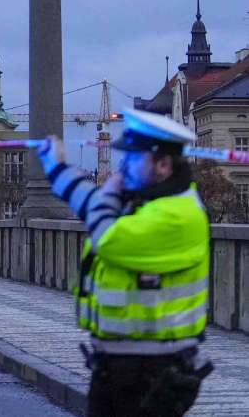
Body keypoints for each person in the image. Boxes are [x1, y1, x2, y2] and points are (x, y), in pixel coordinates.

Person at [36, 109, 213, 417]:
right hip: (121, 363)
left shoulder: (176, 215)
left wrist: (109, 190)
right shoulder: (148, 204)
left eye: (133, 158)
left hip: (153, 370)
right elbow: (93, 207)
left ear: (163, 165)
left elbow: (106, 236)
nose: (123, 165)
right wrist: (57, 168)